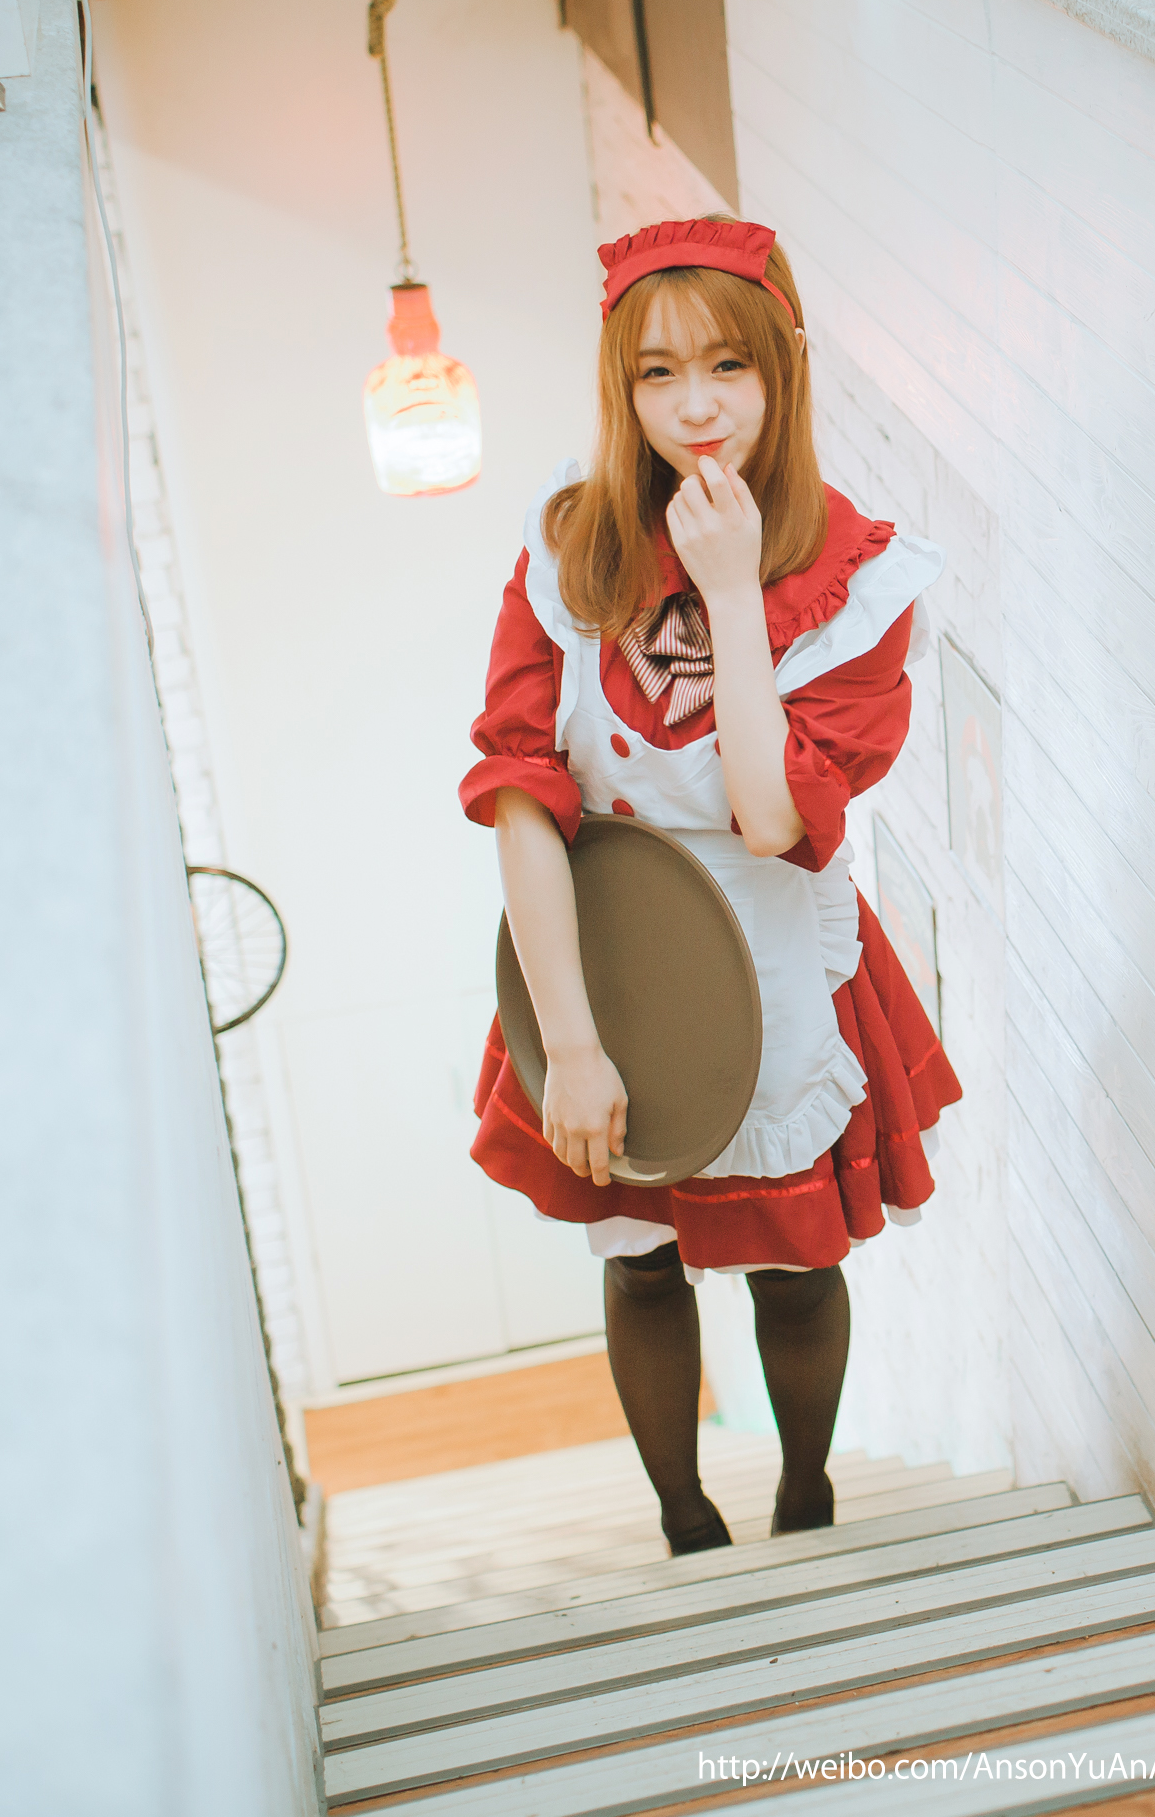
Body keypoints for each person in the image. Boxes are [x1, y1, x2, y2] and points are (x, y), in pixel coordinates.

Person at [457, 217, 962, 1555]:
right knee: (640, 1262)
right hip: (605, 954)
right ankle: (685, 1524)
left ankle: (806, 1501)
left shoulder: (857, 581)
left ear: (782, 367)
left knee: (794, 1271)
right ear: (619, 388)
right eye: (657, 374)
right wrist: (570, 1045)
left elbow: (773, 816)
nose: (695, 408)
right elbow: (522, 794)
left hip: (775, 950)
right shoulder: (565, 550)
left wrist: (735, 595)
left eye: (728, 367)